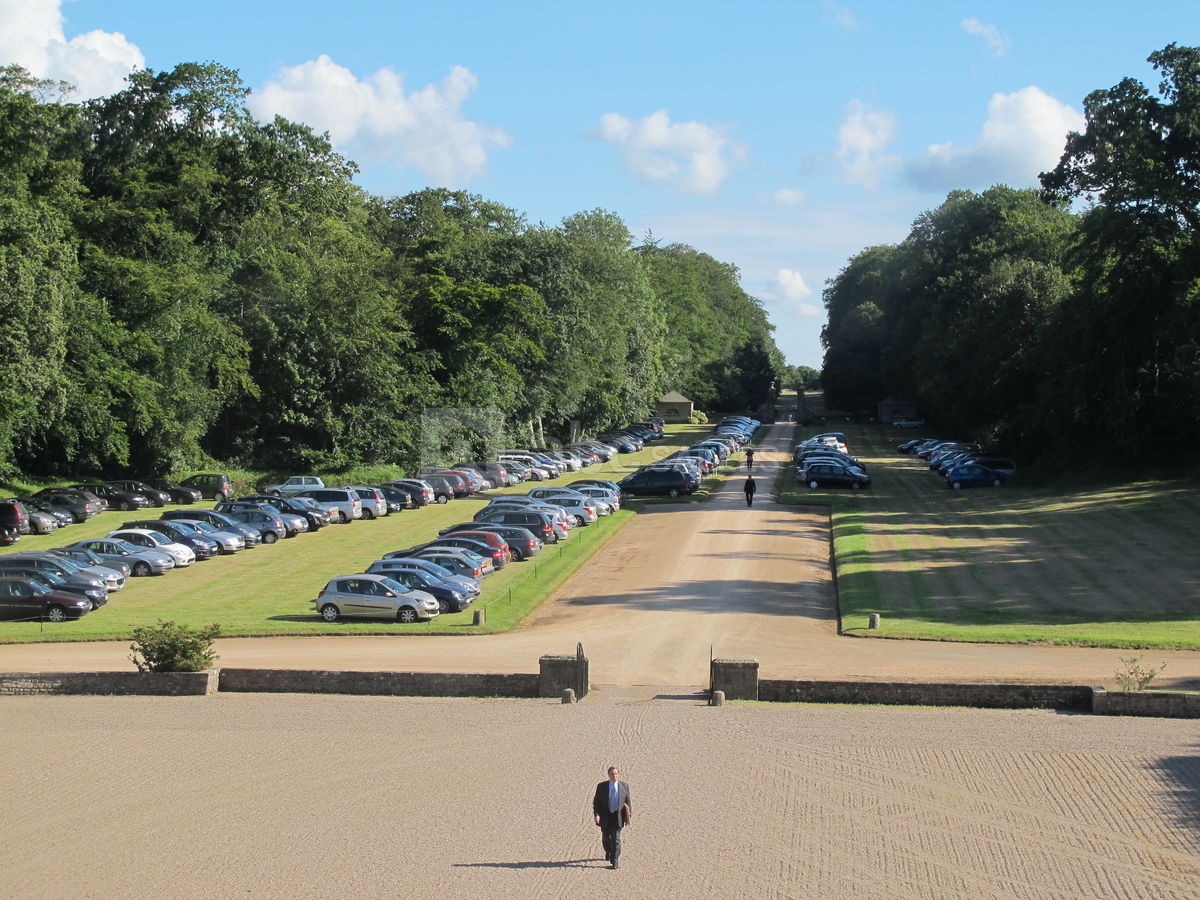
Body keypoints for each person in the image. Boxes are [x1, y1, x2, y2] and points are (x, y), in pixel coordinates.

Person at [592, 765, 631, 869]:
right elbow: (596, 802)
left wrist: (629, 815)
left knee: (616, 838)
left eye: (616, 774)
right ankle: (608, 851)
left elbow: (628, 802)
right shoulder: (601, 786)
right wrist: (597, 815)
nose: (614, 776)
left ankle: (615, 860)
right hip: (605, 816)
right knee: (606, 838)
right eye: (612, 774)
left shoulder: (624, 786)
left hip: (618, 817)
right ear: (609, 775)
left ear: (619, 774)